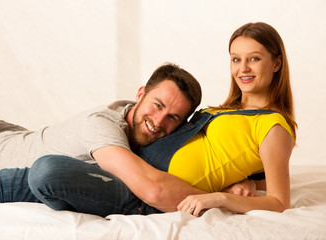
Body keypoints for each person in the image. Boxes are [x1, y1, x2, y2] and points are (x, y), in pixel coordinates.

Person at [27, 21, 297, 216]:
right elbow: (245, 168)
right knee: (12, 181)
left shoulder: (274, 126)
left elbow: (278, 201)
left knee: (47, 171)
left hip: (147, 196)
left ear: (276, 63)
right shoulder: (225, 109)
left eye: (254, 59)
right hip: (130, 169)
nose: (243, 68)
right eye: (236, 59)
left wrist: (221, 198)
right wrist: (243, 182)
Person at [0, 63, 210, 213]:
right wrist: (222, 199)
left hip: (15, 135)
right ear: (140, 94)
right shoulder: (101, 125)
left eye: (173, 117)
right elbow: (152, 189)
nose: (158, 121)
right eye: (157, 105)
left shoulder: (146, 129)